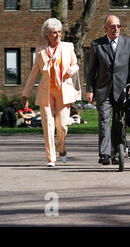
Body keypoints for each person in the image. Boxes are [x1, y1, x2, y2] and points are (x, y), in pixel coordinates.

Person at [22, 18, 81, 167]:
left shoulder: (68, 47)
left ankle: (61, 148)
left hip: (63, 90)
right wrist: (25, 94)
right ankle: (51, 158)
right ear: (47, 35)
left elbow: (75, 64)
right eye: (54, 33)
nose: (58, 35)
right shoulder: (40, 51)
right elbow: (33, 74)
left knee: (61, 126)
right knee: (48, 125)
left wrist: (72, 69)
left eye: (59, 32)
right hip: (46, 92)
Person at [86, 15, 130, 166]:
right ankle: (105, 154)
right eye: (112, 26)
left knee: (119, 122)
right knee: (104, 121)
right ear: (105, 28)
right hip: (103, 90)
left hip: (122, 91)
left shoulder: (128, 43)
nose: (116, 29)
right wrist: (89, 89)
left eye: (118, 26)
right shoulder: (97, 45)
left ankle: (117, 153)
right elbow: (92, 70)